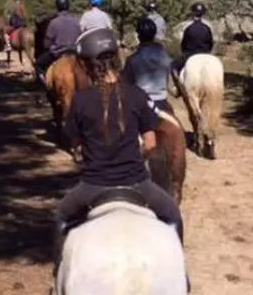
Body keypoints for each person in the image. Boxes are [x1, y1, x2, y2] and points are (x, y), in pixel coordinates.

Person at [54, 26, 185, 274]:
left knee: (60, 216)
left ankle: (58, 274)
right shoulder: (136, 95)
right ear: (114, 58)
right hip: (137, 183)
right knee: (173, 215)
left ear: (87, 64)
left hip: (93, 186)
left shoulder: (81, 101)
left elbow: (76, 147)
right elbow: (150, 143)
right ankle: (182, 277)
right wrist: (136, 159)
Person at [122, 16, 174, 115]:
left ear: (138, 35)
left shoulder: (132, 60)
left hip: (141, 104)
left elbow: (126, 85)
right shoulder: (165, 56)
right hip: (162, 102)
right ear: (154, 34)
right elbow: (168, 79)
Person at [34, 0, 81, 79]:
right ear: (68, 6)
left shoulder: (53, 22)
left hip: (58, 53)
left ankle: (45, 82)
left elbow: (47, 44)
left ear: (57, 7)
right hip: (75, 52)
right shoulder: (77, 20)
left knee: (38, 64)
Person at [172, 2, 214, 76]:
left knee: (173, 66)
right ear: (203, 14)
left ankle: (175, 86)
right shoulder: (207, 28)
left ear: (193, 13)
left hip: (190, 54)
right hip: (205, 53)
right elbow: (210, 43)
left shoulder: (188, 28)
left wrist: (184, 52)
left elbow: (184, 44)